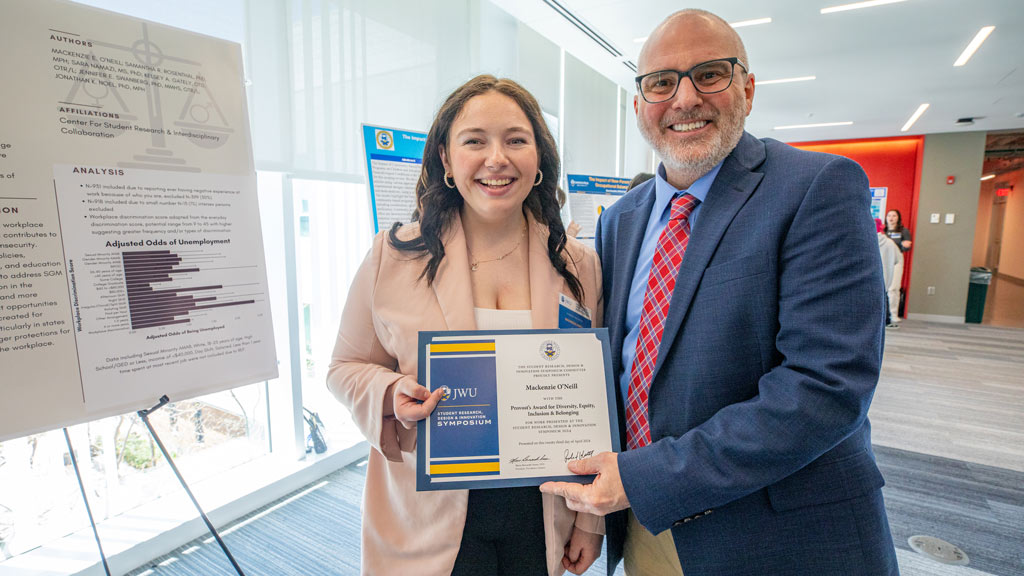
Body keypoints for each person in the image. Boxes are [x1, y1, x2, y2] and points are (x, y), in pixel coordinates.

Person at [540, 9, 899, 575]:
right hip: (645, 526)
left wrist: (648, 477)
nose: (684, 99)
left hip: (778, 538)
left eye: (709, 74)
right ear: (638, 104)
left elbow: (826, 388)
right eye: (660, 82)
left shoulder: (817, 188)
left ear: (748, 89)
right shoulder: (621, 222)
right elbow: (610, 368)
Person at [328, 75, 604, 576]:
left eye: (516, 140)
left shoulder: (578, 265)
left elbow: (596, 402)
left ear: (538, 159)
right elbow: (344, 367)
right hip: (427, 512)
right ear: (446, 161)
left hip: (542, 510)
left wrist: (590, 521)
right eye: (474, 140)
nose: (496, 158)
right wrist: (391, 394)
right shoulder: (392, 256)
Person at [884, 209, 911, 322]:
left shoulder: (903, 231)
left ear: (898, 218)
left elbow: (907, 246)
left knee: (893, 288)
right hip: (883, 260)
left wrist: (905, 245)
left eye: (894, 216)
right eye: (889, 215)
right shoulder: (882, 231)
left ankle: (893, 314)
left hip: (896, 260)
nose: (891, 218)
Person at [877, 218, 903, 328]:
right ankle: (886, 321)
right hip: (886, 277)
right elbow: (898, 259)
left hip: (869, 279)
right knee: (884, 298)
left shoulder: (865, 241)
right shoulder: (889, 243)